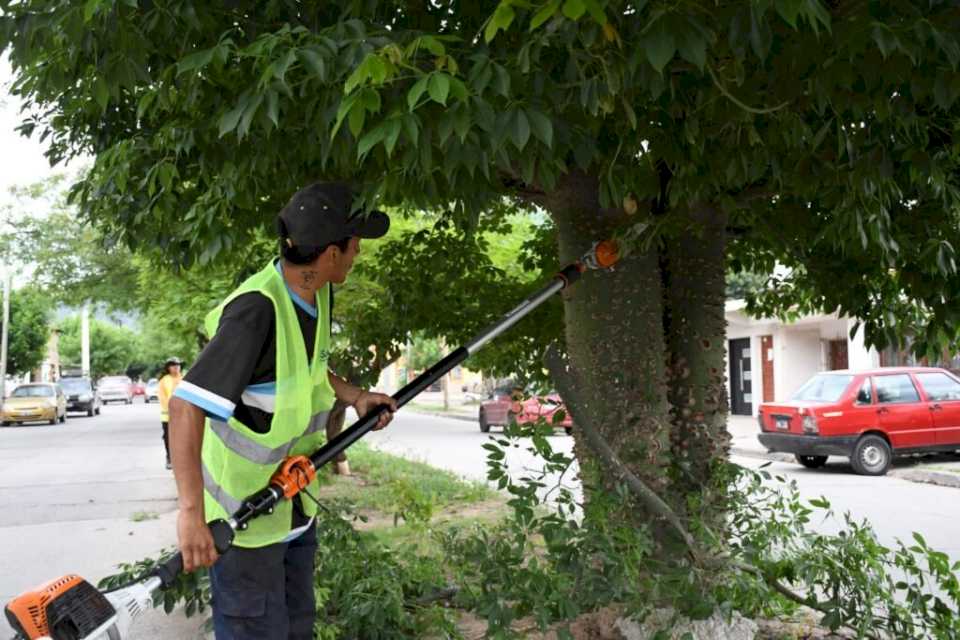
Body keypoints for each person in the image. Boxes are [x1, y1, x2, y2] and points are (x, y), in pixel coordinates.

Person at [167, 182, 397, 640]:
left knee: (296, 630)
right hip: (242, 526)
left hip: (292, 503)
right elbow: (185, 406)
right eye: (354, 245)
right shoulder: (256, 312)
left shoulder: (317, 293)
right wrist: (191, 514)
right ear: (331, 252)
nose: (357, 254)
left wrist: (354, 396)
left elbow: (309, 370)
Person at [157, 357, 183, 469]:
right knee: (168, 438)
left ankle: (181, 458)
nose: (176, 367)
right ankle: (169, 458)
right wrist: (172, 408)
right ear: (168, 368)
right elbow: (162, 398)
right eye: (173, 365)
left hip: (183, 415)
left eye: (178, 365)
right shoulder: (164, 380)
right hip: (168, 416)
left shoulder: (184, 379)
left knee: (183, 437)